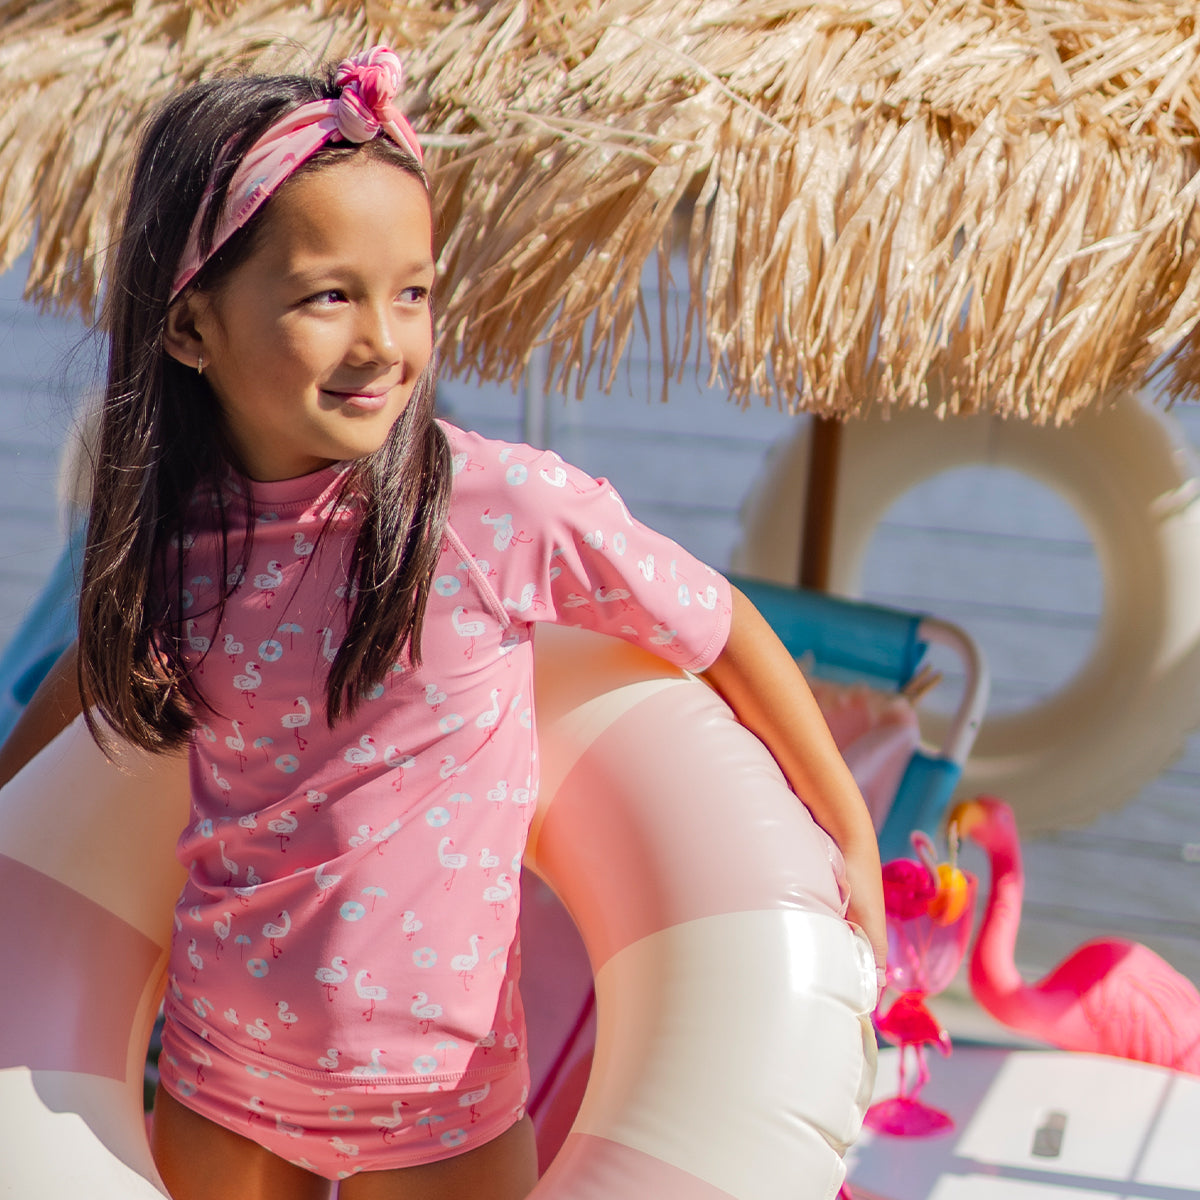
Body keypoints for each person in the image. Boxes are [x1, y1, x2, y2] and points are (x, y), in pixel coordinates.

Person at [0, 45, 885, 1200]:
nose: (384, 341)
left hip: (440, 1109)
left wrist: (847, 826)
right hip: (224, 1081)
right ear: (191, 328)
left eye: (412, 291)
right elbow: (93, 682)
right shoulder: (184, 543)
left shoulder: (498, 507)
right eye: (330, 296)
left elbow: (720, 628)